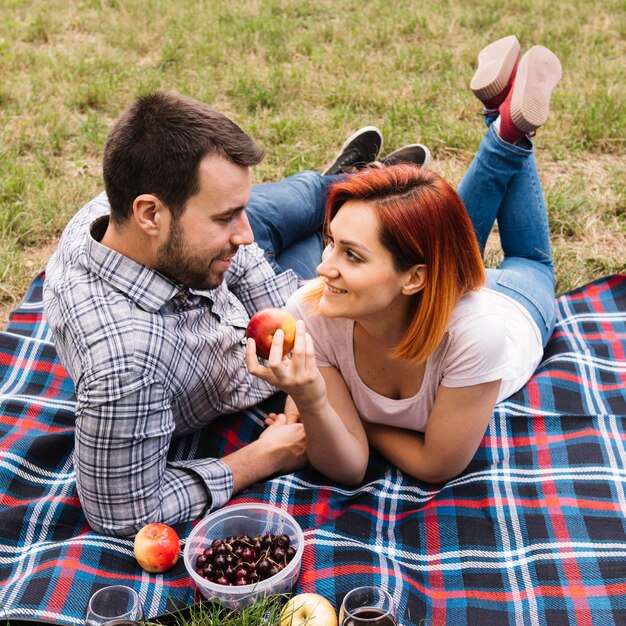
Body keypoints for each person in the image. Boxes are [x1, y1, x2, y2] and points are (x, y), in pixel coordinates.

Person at [42, 90, 430, 536]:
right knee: (331, 247)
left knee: (301, 202)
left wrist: (291, 338)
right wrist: (265, 456)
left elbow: (258, 278)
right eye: (226, 216)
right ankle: (343, 203)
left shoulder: (118, 216)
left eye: (235, 211)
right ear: (149, 213)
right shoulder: (129, 366)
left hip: (203, 257)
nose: (243, 236)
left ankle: (346, 184)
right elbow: (123, 512)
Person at [246, 36, 562, 486]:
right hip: (421, 287)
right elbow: (349, 468)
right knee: (433, 229)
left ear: (414, 279)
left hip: (516, 305)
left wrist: (354, 419)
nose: (322, 267)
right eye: (330, 243)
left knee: (530, 261)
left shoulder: (478, 335)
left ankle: (506, 127)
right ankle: (506, 128)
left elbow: (436, 464)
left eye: (351, 255)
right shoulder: (313, 311)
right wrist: (310, 398)